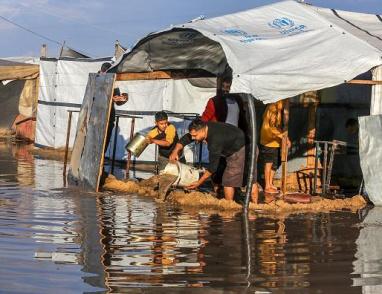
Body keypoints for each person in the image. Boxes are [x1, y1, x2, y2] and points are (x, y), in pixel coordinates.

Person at [171, 118, 257, 202]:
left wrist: (199, 182)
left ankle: (229, 207)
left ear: (202, 130)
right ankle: (225, 195)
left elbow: (212, 167)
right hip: (238, 145)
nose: (193, 138)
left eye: (195, 136)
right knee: (219, 174)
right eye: (192, 135)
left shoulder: (214, 141)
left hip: (243, 150)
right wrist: (175, 151)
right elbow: (186, 138)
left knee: (228, 180)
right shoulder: (205, 126)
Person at [259, 100, 291, 194]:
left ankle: (270, 183)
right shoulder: (272, 109)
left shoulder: (278, 110)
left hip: (276, 142)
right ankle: (267, 185)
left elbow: (277, 126)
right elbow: (271, 127)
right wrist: (284, 137)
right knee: (268, 163)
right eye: (285, 103)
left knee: (275, 163)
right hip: (268, 141)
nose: (286, 105)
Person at [98, 62, 128, 155]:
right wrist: (109, 97)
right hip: (97, 119)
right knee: (95, 143)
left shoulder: (113, 83)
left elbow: (118, 101)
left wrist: (124, 98)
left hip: (109, 118)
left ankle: (100, 167)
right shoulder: (95, 80)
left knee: (104, 144)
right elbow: (94, 98)